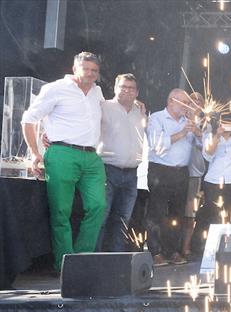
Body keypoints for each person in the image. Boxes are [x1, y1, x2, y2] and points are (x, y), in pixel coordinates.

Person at [20, 52, 106, 272]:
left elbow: (108, 113)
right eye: (86, 68)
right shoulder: (55, 88)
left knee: (98, 206)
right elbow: (28, 119)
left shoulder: (97, 91)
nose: (90, 73)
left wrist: (137, 105)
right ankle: (65, 265)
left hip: (91, 155)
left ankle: (82, 259)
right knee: (61, 211)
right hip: (62, 153)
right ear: (74, 68)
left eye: (94, 70)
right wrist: (35, 153)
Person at [145, 88, 196, 266]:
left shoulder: (188, 121)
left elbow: (203, 146)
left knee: (177, 213)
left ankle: (172, 250)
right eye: (184, 103)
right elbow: (157, 145)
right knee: (157, 212)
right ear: (171, 101)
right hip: (160, 170)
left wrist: (197, 130)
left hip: (181, 171)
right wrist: (182, 132)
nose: (187, 106)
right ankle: (155, 251)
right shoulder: (156, 118)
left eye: (188, 103)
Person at [97, 73, 147, 252]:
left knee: (123, 220)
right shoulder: (103, 107)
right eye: (123, 87)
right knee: (102, 216)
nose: (127, 91)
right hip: (107, 169)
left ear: (137, 92)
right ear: (115, 88)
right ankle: (94, 258)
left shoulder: (140, 111)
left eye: (131, 88)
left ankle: (115, 259)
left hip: (131, 174)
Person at [193, 117, 231, 243]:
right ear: (218, 123)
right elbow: (208, 155)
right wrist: (217, 136)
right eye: (223, 122)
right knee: (213, 216)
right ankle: (211, 247)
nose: (226, 125)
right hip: (214, 181)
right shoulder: (209, 136)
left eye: (229, 122)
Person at [181, 92, 206, 257]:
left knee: (190, 214)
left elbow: (208, 144)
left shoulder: (206, 123)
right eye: (192, 100)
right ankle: (172, 247)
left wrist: (196, 130)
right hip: (176, 170)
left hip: (194, 173)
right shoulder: (178, 117)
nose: (195, 103)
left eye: (198, 101)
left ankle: (186, 248)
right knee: (176, 212)